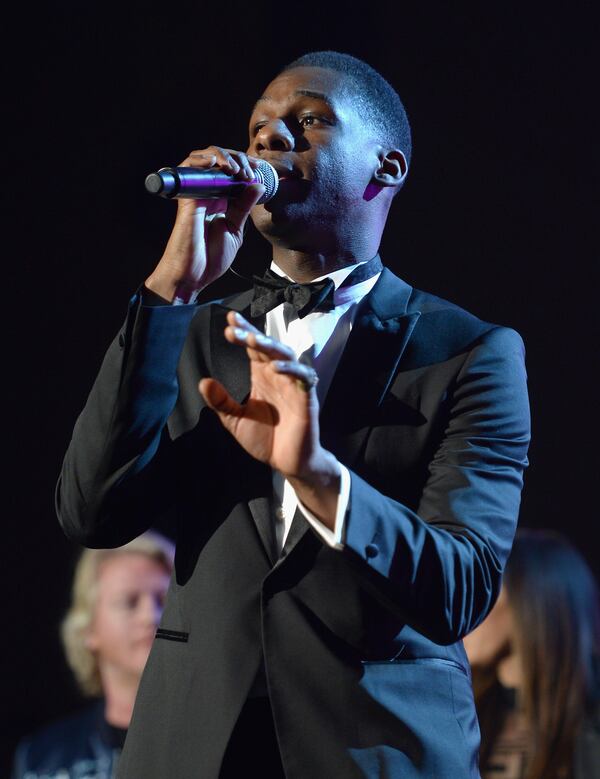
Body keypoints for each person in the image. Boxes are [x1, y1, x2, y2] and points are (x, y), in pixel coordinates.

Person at [56, 51, 531, 778]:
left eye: (306, 121)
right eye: (256, 130)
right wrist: (169, 292)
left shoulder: (469, 353)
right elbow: (90, 512)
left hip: (370, 749)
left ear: (388, 165)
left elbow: (459, 587)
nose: (268, 139)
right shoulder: (193, 332)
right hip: (192, 746)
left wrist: (317, 475)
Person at [12, 532, 174, 779]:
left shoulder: (219, 738)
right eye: (130, 602)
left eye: (164, 600)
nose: (151, 616)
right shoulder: (44, 757)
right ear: (88, 628)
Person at [463, 529, 600, 779]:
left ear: (530, 600)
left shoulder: (589, 727)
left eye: (481, 594)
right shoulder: (465, 713)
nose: (464, 613)